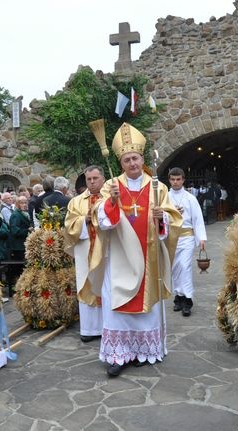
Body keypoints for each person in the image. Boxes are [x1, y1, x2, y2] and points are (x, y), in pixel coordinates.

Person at [94, 122, 182, 377]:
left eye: (135, 158)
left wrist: (161, 216)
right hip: (119, 258)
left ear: (142, 158)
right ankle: (119, 355)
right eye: (126, 160)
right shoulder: (110, 186)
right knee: (117, 306)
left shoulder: (158, 187)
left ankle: (144, 350)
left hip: (148, 256)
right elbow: (100, 220)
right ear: (120, 163)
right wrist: (110, 203)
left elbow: (172, 219)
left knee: (146, 309)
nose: (131, 164)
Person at [64, 165, 105, 343]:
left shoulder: (110, 198)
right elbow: (69, 225)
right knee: (86, 284)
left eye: (95, 178)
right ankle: (89, 329)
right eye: (89, 179)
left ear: (103, 179)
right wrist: (84, 220)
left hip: (105, 252)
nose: (92, 182)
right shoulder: (76, 202)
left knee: (106, 286)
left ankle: (108, 328)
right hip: (85, 250)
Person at [167, 167, 207, 317]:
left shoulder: (190, 198)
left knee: (185, 266)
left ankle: (188, 300)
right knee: (175, 269)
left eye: (178, 179)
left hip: (186, 237)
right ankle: (178, 297)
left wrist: (201, 238)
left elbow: (198, 219)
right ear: (169, 180)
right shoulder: (165, 198)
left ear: (183, 180)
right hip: (171, 238)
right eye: (173, 179)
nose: (175, 182)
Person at [8, 196, 32, 261]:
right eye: (22, 203)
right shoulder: (16, 215)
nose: (24, 205)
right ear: (17, 204)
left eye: (25, 203)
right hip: (18, 246)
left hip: (23, 244)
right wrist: (28, 230)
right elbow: (15, 231)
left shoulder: (25, 213)